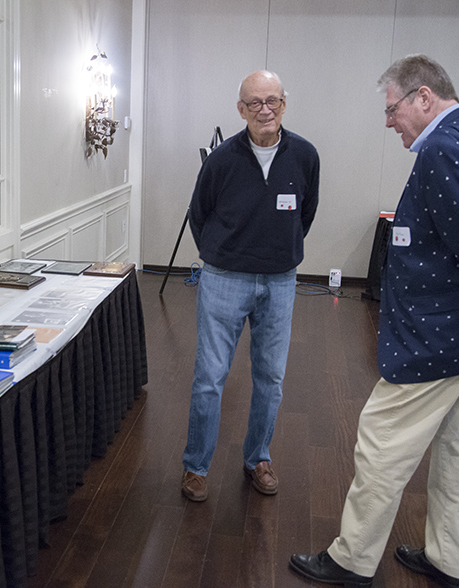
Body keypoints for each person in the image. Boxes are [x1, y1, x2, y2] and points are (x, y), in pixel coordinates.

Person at [289, 54, 459, 587]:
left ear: (424, 97)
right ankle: (448, 558)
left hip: (442, 336)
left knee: (381, 442)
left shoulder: (441, 150)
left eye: (392, 109)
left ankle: (351, 560)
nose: (388, 121)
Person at [181, 70, 320, 502]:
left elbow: (306, 214)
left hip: (280, 281)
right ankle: (195, 467)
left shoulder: (305, 156)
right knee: (209, 377)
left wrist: (277, 253)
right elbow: (198, 214)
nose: (265, 110)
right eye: (255, 103)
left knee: (271, 378)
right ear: (241, 109)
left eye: (273, 101)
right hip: (224, 279)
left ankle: (258, 457)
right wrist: (224, 256)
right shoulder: (221, 159)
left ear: (284, 104)